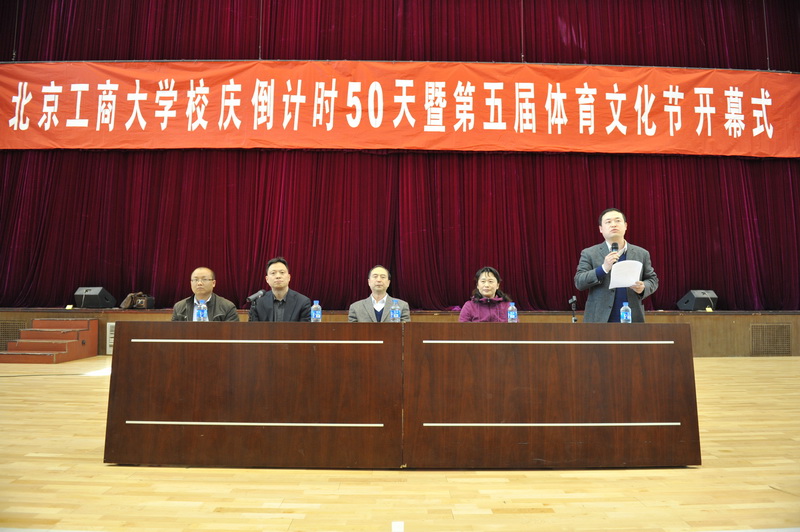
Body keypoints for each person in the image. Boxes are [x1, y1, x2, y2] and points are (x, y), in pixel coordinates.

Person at [574, 208, 658, 323]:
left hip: (633, 318)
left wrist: (643, 287)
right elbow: (579, 282)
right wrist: (603, 268)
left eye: (617, 221)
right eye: (608, 222)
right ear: (601, 229)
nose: (613, 224)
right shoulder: (589, 253)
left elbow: (652, 280)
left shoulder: (641, 253)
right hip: (599, 320)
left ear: (625, 226)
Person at [248, 257, 312, 322]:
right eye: (273, 273)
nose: (278, 276)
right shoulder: (258, 303)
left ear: (289, 277)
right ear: (267, 279)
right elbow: (253, 327)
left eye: (282, 272)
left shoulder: (302, 302)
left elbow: (305, 328)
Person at [171, 267, 239, 322]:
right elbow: (174, 332)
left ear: (213, 283)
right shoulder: (179, 307)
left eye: (204, 279)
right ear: (191, 283)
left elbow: (232, 332)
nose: (199, 283)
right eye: (196, 280)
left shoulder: (227, 307)